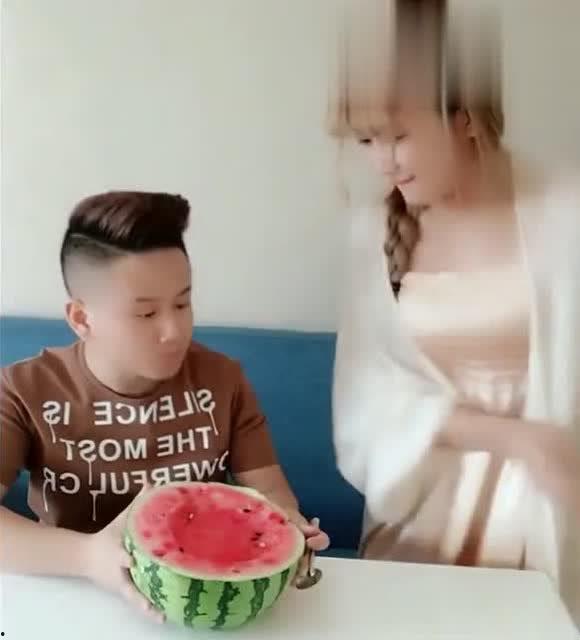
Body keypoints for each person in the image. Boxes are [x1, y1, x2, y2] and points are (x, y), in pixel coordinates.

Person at [328, 0, 580, 625]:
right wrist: (516, 438)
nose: (382, 162)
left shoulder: (565, 216)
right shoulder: (372, 233)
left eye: (400, 135)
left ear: (464, 116)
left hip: (552, 517)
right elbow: (367, 400)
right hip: (421, 515)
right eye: (367, 140)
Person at [0, 191, 329, 622]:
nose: (174, 330)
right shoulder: (24, 390)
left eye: (182, 303)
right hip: (70, 597)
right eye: (145, 314)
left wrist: (288, 527)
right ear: (82, 318)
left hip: (196, 603)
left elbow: (269, 490)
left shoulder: (223, 379)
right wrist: (88, 557)